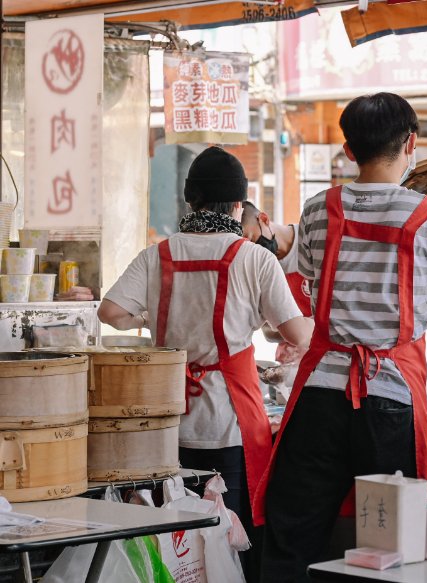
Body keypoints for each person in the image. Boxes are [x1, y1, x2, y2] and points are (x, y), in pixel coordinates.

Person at [254, 93, 427, 582]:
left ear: (348, 149)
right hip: (390, 397)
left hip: (320, 395)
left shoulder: (320, 210)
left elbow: (313, 281)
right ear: (411, 143)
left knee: (294, 533)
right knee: (391, 543)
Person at [98, 146, 314, 580]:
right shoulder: (254, 258)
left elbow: (110, 313)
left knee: (174, 545)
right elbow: (297, 336)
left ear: (189, 200)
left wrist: (154, 321)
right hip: (226, 422)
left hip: (165, 422)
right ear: (238, 206)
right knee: (228, 542)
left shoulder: (157, 254)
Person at [241, 201, 311, 363]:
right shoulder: (255, 267)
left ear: (264, 219)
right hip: (292, 360)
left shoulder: (313, 242)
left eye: (253, 239)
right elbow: (269, 332)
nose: (253, 249)